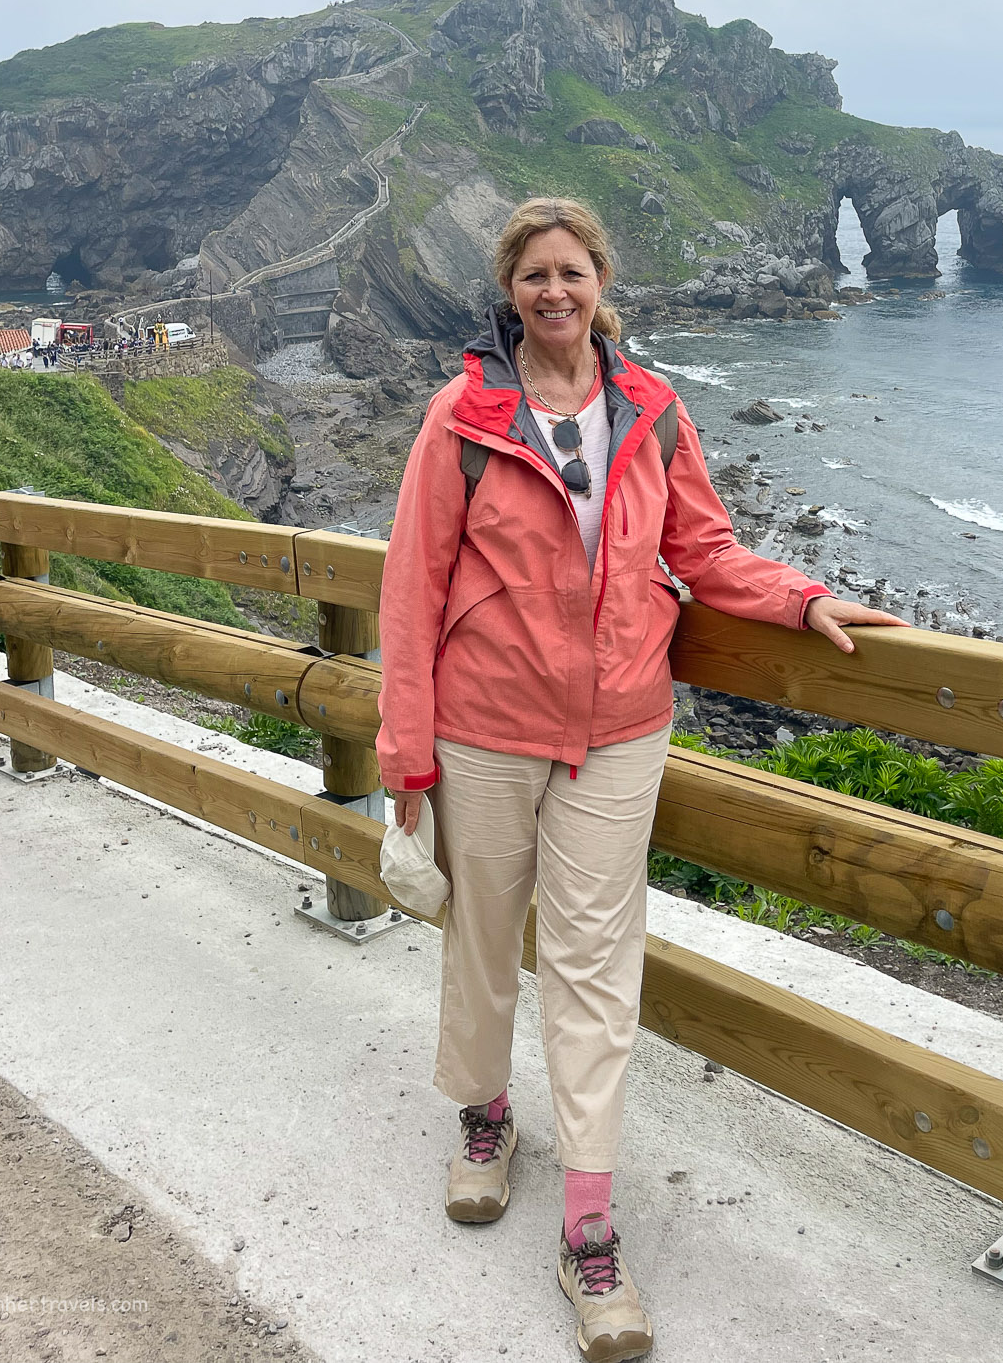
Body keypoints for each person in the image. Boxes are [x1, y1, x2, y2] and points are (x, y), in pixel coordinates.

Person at [377, 196, 905, 1361]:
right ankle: (485, 1118)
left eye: (571, 272)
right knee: (482, 937)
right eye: (534, 275)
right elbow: (412, 584)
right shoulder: (462, 414)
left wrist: (801, 598)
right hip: (482, 726)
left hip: (620, 728)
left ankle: (589, 1222)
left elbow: (702, 548)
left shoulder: (654, 410)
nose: (553, 292)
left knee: (594, 965)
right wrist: (404, 744)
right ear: (510, 291)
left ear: (600, 281)